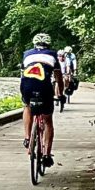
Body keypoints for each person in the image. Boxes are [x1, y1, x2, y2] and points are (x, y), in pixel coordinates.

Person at [20, 32, 65, 166]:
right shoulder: (53, 55)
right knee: (47, 121)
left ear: (34, 44)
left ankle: (28, 138)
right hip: (44, 87)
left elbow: (23, 73)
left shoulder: (27, 54)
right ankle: (46, 155)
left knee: (27, 106)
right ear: (48, 44)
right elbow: (59, 79)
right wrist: (60, 94)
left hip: (27, 86)